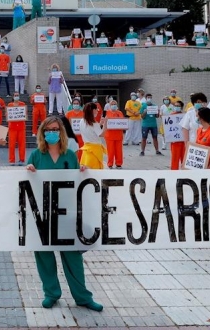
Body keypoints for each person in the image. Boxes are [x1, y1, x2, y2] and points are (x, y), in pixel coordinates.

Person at [26, 116, 102, 311]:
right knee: (44, 256)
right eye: (48, 129)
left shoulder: (69, 155)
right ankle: (51, 293)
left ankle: (83, 297)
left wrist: (83, 171)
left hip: (67, 215)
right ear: (43, 133)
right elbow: (26, 182)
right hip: (43, 214)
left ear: (61, 132)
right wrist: (28, 170)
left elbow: (78, 182)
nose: (52, 133)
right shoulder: (35, 155)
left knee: (73, 256)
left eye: (55, 129)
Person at [80, 102, 105, 169]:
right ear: (93, 110)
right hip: (94, 151)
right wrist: (106, 124)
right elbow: (102, 134)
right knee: (95, 172)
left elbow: (93, 131)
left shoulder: (82, 121)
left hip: (86, 150)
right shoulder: (94, 123)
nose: (97, 111)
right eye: (96, 109)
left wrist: (100, 124)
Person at [6, 92, 27, 166]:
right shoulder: (9, 105)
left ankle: (22, 159)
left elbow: (25, 114)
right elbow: (7, 115)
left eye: (17, 95)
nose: (16, 96)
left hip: (21, 127)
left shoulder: (23, 104)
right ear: (13, 97)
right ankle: (12, 160)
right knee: (11, 145)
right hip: (12, 127)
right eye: (15, 95)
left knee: (22, 144)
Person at [104, 99, 124, 169]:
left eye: (114, 104)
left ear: (117, 105)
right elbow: (104, 123)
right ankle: (110, 164)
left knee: (119, 150)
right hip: (109, 135)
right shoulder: (107, 113)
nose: (113, 105)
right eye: (112, 104)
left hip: (118, 135)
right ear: (109, 106)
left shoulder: (120, 113)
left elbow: (123, 123)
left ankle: (119, 163)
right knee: (110, 151)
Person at [168, 101, 186, 169]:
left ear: (181, 107)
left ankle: (184, 175)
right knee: (174, 159)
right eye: (175, 105)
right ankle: (174, 174)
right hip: (174, 141)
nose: (176, 107)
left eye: (178, 106)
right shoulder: (171, 115)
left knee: (184, 159)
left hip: (183, 141)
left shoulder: (185, 116)